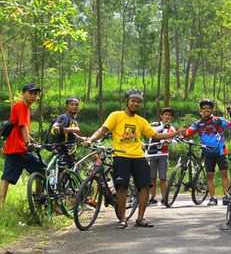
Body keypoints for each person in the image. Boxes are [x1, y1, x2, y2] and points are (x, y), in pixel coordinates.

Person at [82, 89, 185, 229]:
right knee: (122, 186)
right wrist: (91, 139)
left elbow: (155, 135)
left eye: (138, 102)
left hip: (138, 156)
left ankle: (140, 218)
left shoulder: (141, 121)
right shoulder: (116, 116)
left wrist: (176, 133)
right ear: (127, 101)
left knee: (145, 186)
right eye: (133, 101)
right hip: (121, 156)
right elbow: (102, 130)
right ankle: (122, 219)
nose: (135, 104)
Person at [184, 98, 231, 206]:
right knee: (210, 175)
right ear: (201, 110)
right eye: (203, 108)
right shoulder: (198, 123)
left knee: (224, 173)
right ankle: (213, 198)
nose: (206, 110)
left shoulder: (219, 120)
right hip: (208, 153)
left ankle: (227, 196)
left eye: (208, 108)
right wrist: (180, 133)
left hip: (221, 151)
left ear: (212, 109)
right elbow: (188, 131)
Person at [0, 83, 45, 204]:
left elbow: (21, 127)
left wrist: (31, 140)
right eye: (30, 93)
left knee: (6, 176)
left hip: (12, 148)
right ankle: (38, 199)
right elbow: (22, 126)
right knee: (42, 169)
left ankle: (0, 204)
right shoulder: (21, 105)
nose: (33, 96)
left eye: (35, 94)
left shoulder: (24, 107)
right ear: (23, 93)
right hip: (19, 148)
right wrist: (28, 143)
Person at [146, 107, 176, 206]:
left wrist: (170, 141)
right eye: (165, 114)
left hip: (163, 154)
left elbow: (174, 139)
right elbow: (152, 132)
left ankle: (164, 198)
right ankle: (153, 198)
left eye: (169, 115)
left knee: (163, 178)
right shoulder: (155, 124)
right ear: (161, 116)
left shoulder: (171, 129)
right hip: (151, 154)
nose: (167, 116)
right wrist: (163, 125)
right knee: (152, 177)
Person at [49, 95, 81, 167]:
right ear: (66, 106)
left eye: (77, 105)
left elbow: (72, 134)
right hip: (63, 150)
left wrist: (81, 138)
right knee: (64, 173)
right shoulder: (64, 116)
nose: (74, 106)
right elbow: (56, 127)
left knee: (72, 174)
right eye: (72, 104)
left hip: (71, 152)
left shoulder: (73, 119)